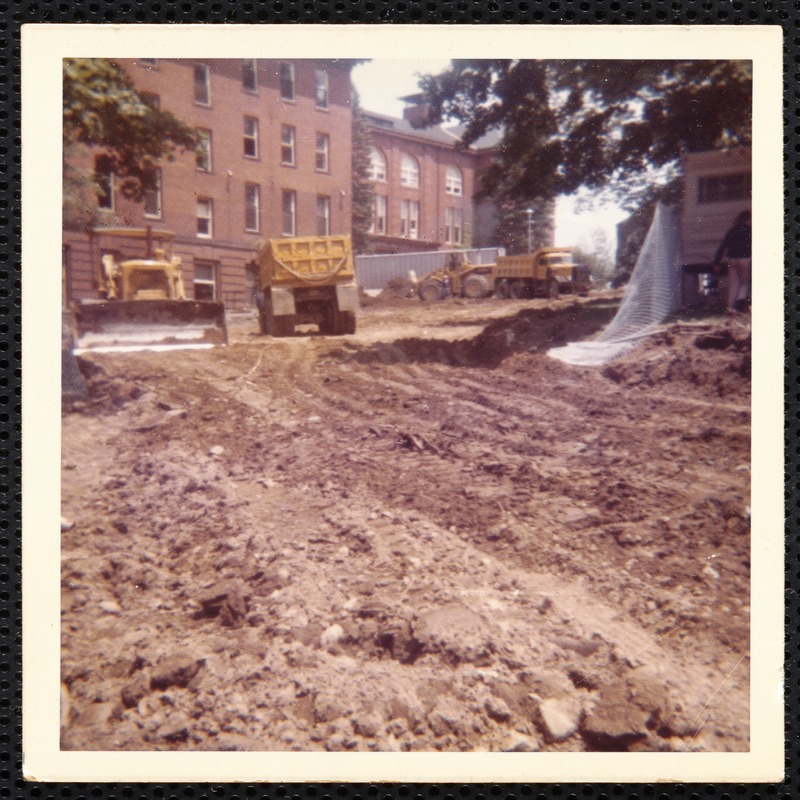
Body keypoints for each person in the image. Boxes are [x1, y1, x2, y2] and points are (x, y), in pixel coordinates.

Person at [714, 209, 751, 313]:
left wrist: (717, 262)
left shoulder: (732, 230)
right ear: (749, 219)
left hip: (731, 259)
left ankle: (730, 307)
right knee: (744, 284)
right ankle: (739, 304)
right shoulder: (750, 230)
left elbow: (723, 246)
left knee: (734, 285)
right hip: (744, 259)